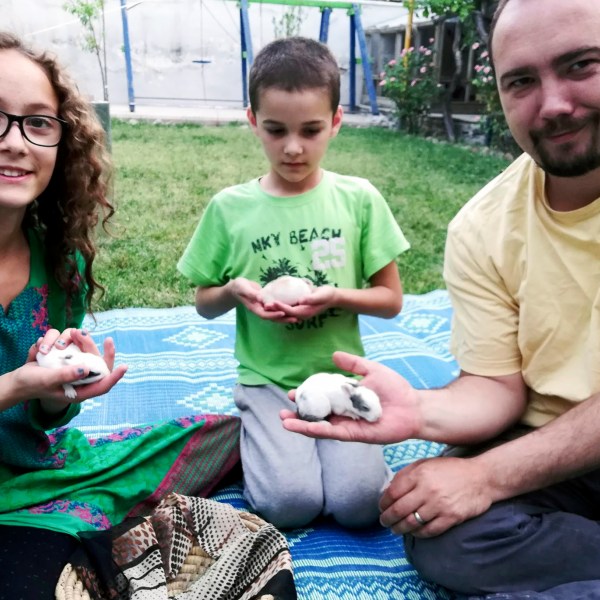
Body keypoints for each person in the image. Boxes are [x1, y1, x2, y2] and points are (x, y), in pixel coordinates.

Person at [281, 0, 600, 596]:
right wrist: (417, 413)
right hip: (555, 445)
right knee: (435, 526)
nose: (554, 104)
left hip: (555, 448)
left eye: (582, 65)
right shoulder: (482, 227)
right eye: (522, 81)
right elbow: (498, 386)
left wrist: (488, 474)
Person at [0, 32, 240, 599]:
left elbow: (43, 420)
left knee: (233, 435)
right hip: (30, 494)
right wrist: (19, 383)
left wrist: (58, 392)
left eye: (38, 123)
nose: (15, 142)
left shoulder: (58, 265)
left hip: (40, 470)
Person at [178, 37, 409, 529]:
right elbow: (203, 304)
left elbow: (390, 301)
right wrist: (233, 291)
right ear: (252, 120)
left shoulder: (359, 200)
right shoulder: (229, 208)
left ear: (337, 121)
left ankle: (313, 450)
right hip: (267, 382)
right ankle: (252, 432)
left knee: (361, 506)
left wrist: (336, 295)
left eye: (311, 129)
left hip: (339, 379)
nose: (293, 147)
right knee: (289, 505)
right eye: (275, 129)